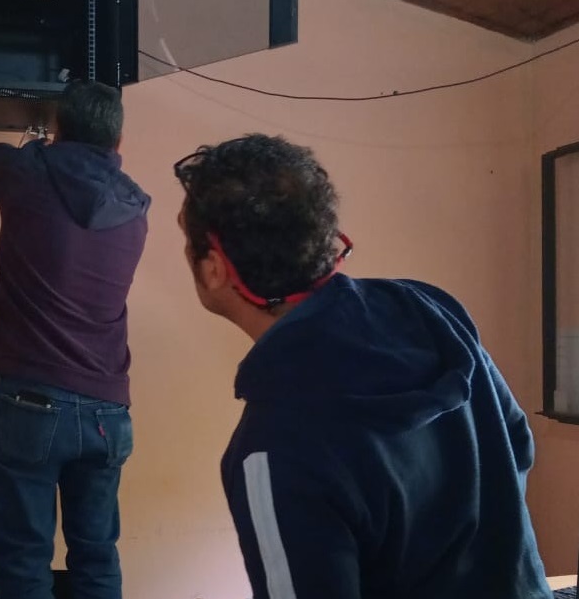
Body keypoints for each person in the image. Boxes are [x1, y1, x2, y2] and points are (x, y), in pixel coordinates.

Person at [174, 134, 552, 599]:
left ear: (214, 269)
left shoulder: (273, 448)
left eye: (186, 241)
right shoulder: (429, 309)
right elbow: (517, 444)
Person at [0, 80, 150, 599]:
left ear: (56, 130)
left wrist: (40, 147)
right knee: (97, 555)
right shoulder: (136, 208)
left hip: (29, 404)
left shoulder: (27, 175)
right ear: (118, 142)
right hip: (107, 412)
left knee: (23, 559)